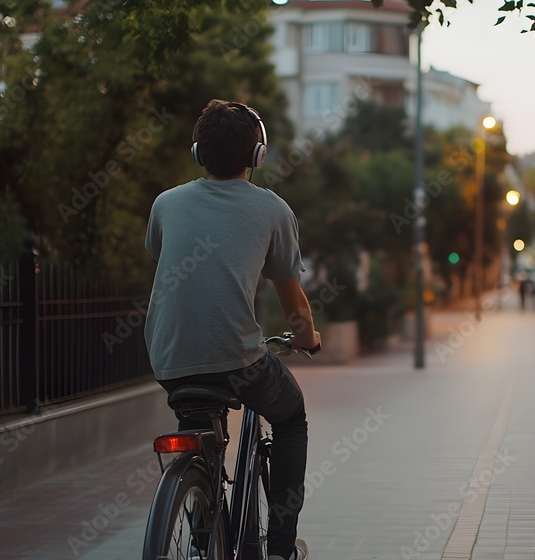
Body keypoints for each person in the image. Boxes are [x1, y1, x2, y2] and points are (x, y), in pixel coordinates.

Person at [143, 99, 320, 560]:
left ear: (198, 151)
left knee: (199, 435)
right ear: (257, 155)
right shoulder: (274, 210)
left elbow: (165, 262)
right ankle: (281, 549)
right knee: (291, 417)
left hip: (170, 360)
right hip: (240, 362)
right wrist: (307, 340)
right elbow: (292, 302)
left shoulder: (166, 204)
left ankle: (206, 538)